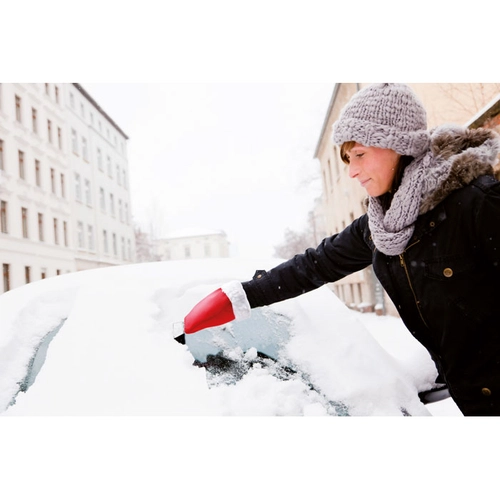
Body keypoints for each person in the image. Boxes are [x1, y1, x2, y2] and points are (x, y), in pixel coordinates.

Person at [183, 83, 500, 416]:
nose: (351, 171)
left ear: (399, 145)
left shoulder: (477, 204)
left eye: (360, 154)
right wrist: (240, 296)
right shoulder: (381, 225)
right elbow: (315, 265)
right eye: (348, 159)